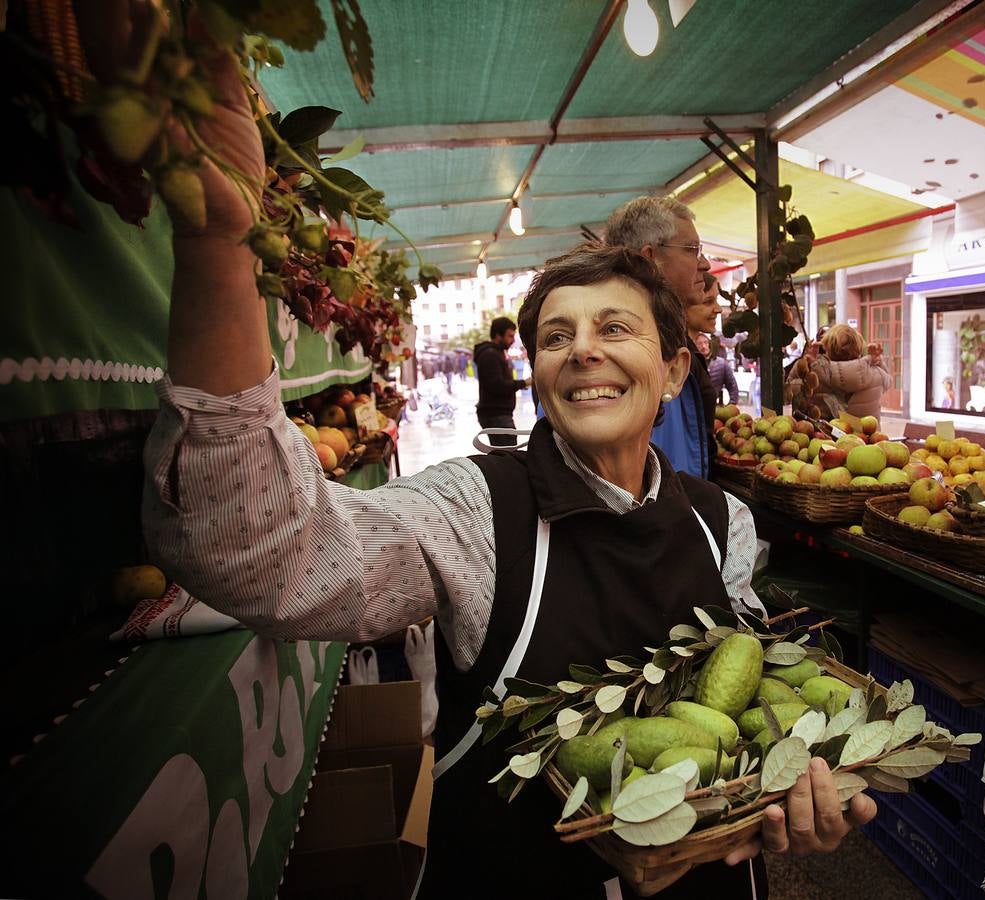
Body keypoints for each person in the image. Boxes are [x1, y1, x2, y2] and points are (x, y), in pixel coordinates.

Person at [134, 44, 874, 888]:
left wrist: (796, 792)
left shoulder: (721, 522)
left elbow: (747, 717)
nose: (583, 352)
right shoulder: (473, 511)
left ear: (673, 370)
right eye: (556, 337)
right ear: (537, 377)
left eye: (615, 329)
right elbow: (268, 557)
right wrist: (220, 245)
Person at [605, 197, 716, 478]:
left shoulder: (666, 334)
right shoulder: (611, 349)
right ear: (649, 257)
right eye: (692, 249)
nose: (705, 264)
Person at [798, 324, 893, 421]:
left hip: (833, 435)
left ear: (828, 349)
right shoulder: (878, 375)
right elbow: (888, 381)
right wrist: (878, 360)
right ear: (859, 348)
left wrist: (806, 360)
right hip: (869, 435)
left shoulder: (818, 375)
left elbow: (793, 388)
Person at [474, 316, 530, 447]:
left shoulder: (497, 353)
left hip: (499, 414)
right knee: (507, 455)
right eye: (510, 336)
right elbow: (497, 385)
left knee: (505, 454)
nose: (512, 340)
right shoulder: (490, 355)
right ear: (498, 335)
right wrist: (524, 383)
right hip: (496, 415)